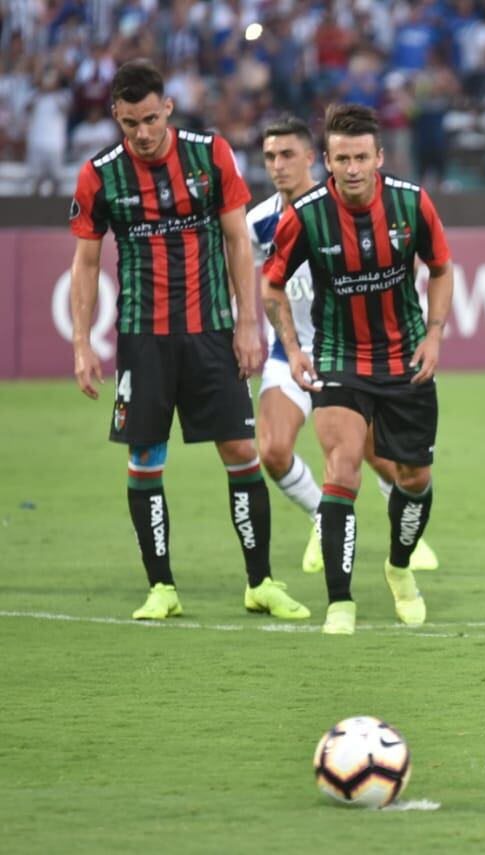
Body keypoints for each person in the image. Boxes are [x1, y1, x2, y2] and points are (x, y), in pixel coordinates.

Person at [69, 59, 308, 621]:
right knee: (146, 457)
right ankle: (162, 588)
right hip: (141, 337)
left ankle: (261, 582)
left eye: (152, 118)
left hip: (211, 333)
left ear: (168, 107)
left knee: (241, 451)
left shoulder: (210, 153)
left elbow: (237, 241)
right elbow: (85, 262)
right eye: (131, 124)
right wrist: (82, 343)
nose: (144, 134)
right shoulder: (100, 173)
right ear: (116, 119)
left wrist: (248, 324)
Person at [262, 103, 454, 636]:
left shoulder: (411, 204)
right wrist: (294, 348)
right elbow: (272, 283)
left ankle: (398, 568)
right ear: (326, 159)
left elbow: (441, 268)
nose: (351, 169)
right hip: (339, 359)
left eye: (361, 158)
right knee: (342, 467)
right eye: (341, 158)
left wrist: (435, 333)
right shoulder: (306, 214)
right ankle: (339, 602)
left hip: (405, 360)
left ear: (379, 157)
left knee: (413, 478)